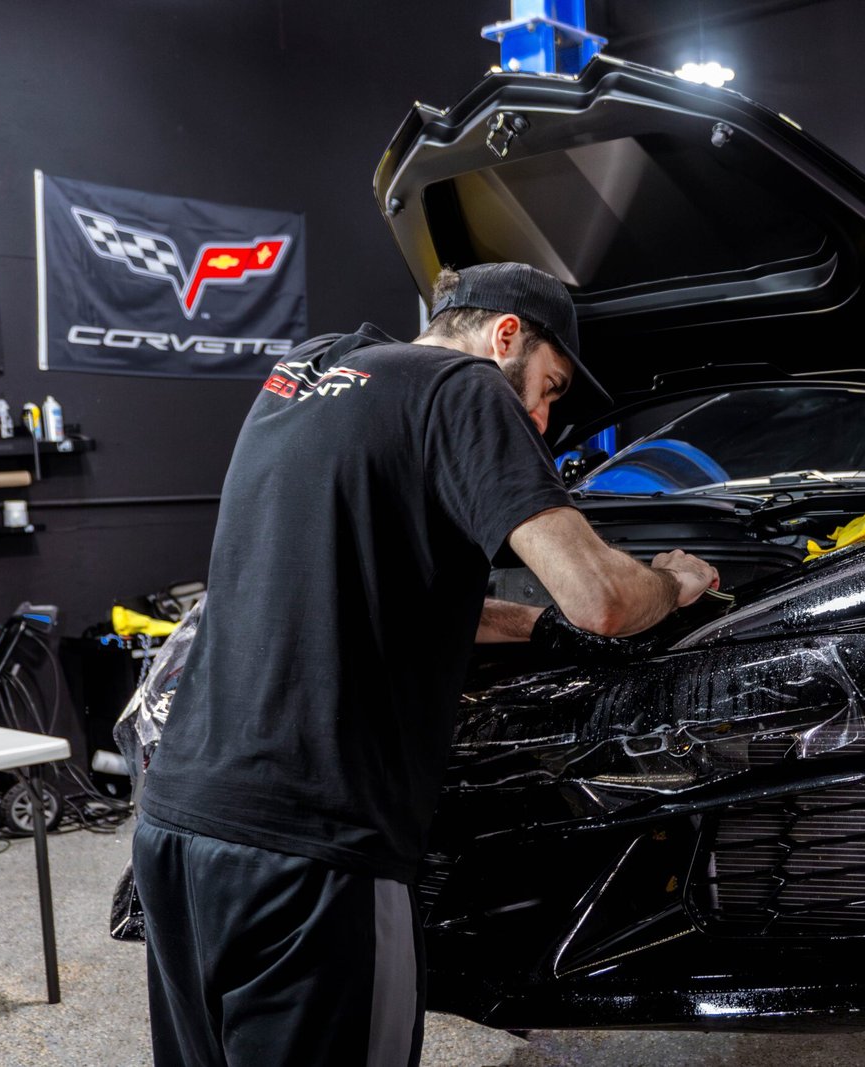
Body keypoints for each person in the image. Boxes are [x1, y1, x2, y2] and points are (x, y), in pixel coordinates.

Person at [133, 261, 718, 1066]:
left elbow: (366, 583)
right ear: (505, 335)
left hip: (177, 824)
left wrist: (540, 631)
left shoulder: (307, 371)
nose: (544, 418)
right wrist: (674, 584)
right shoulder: (467, 387)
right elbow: (602, 599)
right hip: (316, 853)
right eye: (549, 388)